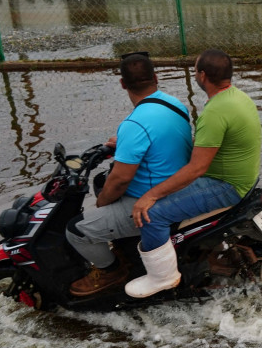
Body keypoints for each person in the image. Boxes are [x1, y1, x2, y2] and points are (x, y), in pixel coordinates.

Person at [126, 48, 262, 298]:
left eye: (195, 70)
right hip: (244, 179)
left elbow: (197, 168)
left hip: (225, 186)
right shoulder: (237, 97)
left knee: (151, 215)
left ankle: (163, 278)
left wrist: (150, 196)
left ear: (202, 76)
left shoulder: (215, 111)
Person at [67, 52, 192, 297]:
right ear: (156, 78)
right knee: (102, 182)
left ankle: (111, 270)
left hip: (150, 200)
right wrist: (123, 144)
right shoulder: (175, 105)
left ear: (123, 83)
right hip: (179, 188)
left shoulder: (134, 124)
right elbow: (161, 140)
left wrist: (101, 203)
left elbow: (121, 179)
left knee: (76, 229)